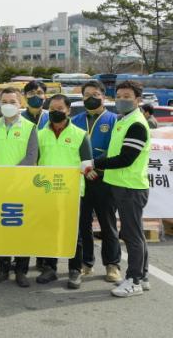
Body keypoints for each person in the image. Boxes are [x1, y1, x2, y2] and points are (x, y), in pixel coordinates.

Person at [94, 81, 151, 298]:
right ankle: (142, 276)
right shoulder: (123, 120)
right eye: (118, 96)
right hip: (122, 185)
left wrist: (95, 163)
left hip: (130, 187)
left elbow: (126, 158)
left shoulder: (136, 124)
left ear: (138, 100)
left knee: (131, 235)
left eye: (127, 96)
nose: (121, 100)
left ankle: (134, 281)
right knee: (135, 233)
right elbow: (114, 153)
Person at [36, 94, 94, 289]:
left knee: (73, 233)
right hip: (46, 190)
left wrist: (86, 170)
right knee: (48, 230)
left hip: (72, 192)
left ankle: (74, 270)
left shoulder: (80, 134)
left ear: (68, 110)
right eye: (52, 109)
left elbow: (87, 164)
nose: (56, 112)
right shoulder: (40, 134)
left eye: (60, 109)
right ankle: (49, 268)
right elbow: (35, 162)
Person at [0, 87, 38, 288]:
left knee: (22, 229)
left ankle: (21, 270)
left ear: (21, 104)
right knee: (1, 228)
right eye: (4, 102)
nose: (8, 105)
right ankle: (2, 268)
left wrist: (11, 174)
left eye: (12, 102)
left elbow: (31, 157)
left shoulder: (29, 127)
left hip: (21, 186)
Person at [71, 80, 121, 282]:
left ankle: (112, 265)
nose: (91, 98)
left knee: (108, 224)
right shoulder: (75, 120)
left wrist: (95, 168)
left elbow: (115, 149)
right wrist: (84, 169)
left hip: (104, 178)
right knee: (83, 224)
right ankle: (86, 263)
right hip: (81, 179)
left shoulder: (114, 120)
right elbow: (70, 149)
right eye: (87, 95)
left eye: (95, 95)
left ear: (104, 97)